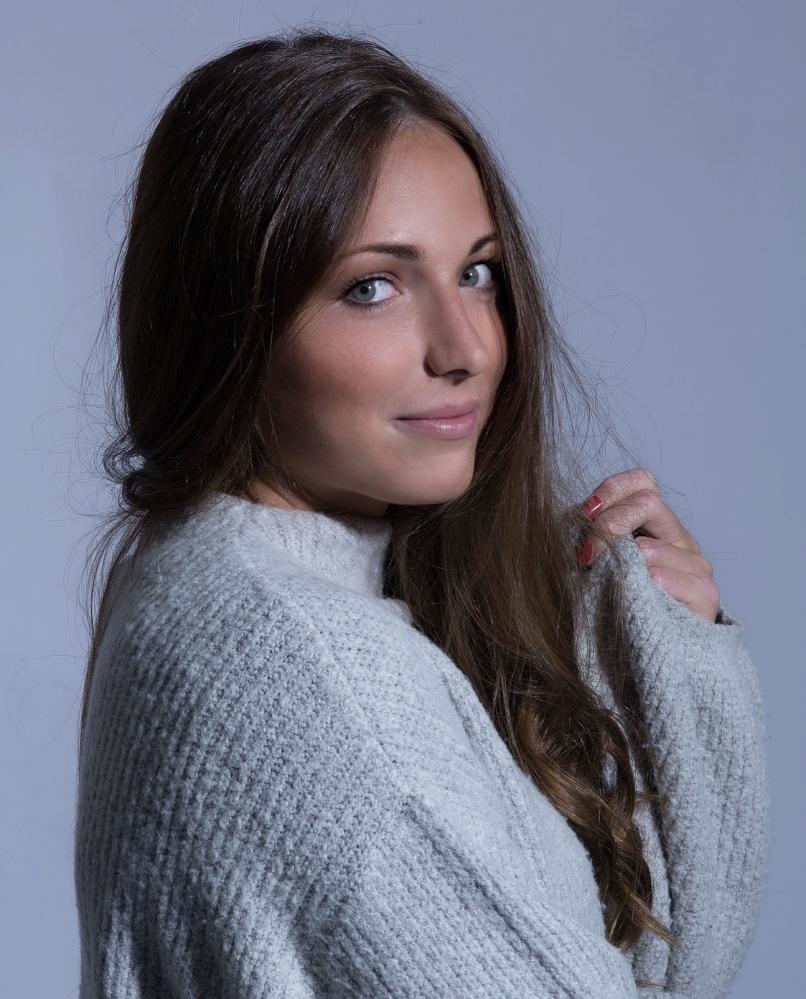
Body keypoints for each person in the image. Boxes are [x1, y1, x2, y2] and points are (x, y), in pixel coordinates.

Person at [73, 27, 770, 998]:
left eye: (476, 271)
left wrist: (664, 659)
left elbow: (651, 962)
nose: (467, 347)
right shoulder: (315, 680)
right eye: (373, 287)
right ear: (226, 323)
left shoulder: (213, 580)